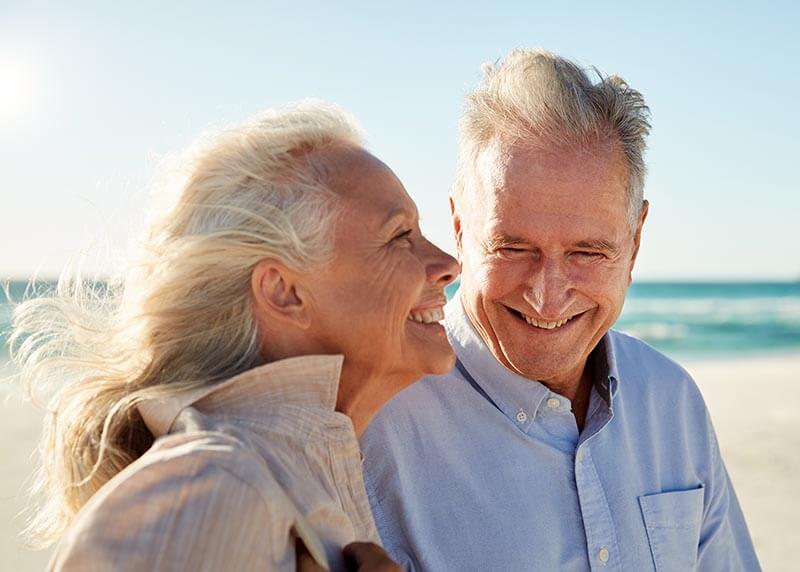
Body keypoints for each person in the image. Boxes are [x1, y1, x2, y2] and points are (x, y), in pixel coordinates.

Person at [10, 102, 459, 571]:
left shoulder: (284, 474)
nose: (448, 264)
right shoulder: (214, 490)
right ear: (284, 292)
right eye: (400, 235)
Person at [361, 49, 760, 571]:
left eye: (587, 253)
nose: (547, 297)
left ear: (635, 242)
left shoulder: (671, 402)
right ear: (459, 228)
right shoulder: (372, 426)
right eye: (513, 247)